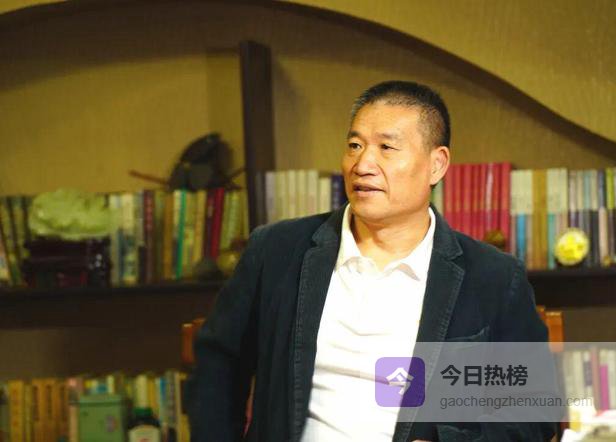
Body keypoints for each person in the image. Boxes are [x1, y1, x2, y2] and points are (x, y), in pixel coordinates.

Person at [186, 80, 555, 441]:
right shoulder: (277, 251)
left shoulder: (493, 277)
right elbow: (218, 365)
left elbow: (533, 412)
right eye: (355, 145)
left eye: (386, 147)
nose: (363, 164)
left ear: (437, 165)